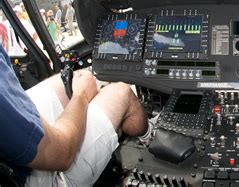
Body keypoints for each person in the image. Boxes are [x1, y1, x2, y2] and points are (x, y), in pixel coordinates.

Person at [0, 45, 151, 185]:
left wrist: (80, 96)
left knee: (79, 77)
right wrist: (81, 96)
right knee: (120, 93)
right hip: (26, 178)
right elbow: (60, 155)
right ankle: (151, 135)